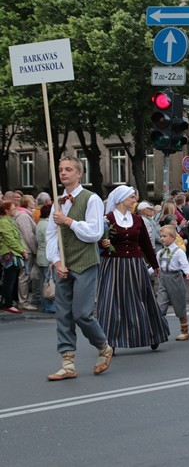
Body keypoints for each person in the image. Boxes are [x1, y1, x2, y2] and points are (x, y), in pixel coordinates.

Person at [45, 155, 113, 381]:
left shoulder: (90, 199)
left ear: (79, 173)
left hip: (85, 263)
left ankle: (103, 346)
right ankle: (67, 363)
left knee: (82, 313)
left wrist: (68, 221)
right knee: (63, 314)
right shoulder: (58, 201)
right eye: (60, 170)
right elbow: (51, 236)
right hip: (64, 264)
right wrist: (55, 261)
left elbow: (94, 232)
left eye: (68, 169)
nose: (63, 173)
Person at [97, 185, 169, 351]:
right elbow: (97, 240)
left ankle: (152, 334)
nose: (135, 200)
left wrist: (155, 264)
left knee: (142, 299)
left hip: (135, 265)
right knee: (112, 302)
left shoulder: (137, 220)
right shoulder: (107, 219)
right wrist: (102, 243)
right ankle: (111, 339)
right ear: (122, 199)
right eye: (132, 197)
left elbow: (145, 244)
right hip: (113, 265)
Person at [154, 225, 189, 341]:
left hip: (175, 279)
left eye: (164, 236)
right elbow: (156, 267)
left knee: (179, 306)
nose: (162, 239)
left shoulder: (178, 252)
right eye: (161, 236)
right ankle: (159, 331)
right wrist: (145, 272)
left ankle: (184, 331)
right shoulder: (160, 252)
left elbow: (185, 266)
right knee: (159, 307)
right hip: (163, 279)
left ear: (173, 237)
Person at [0, 201, 28, 314]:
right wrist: (22, 250)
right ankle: (7, 303)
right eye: (13, 209)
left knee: (11, 279)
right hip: (8, 253)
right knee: (9, 280)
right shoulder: (4, 222)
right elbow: (10, 239)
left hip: (13, 252)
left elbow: (17, 238)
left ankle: (8, 302)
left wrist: (23, 249)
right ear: (7, 210)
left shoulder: (10, 221)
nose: (15, 211)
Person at [15, 195, 39, 311]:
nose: (35, 203)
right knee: (24, 275)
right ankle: (23, 301)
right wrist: (35, 250)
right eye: (32, 201)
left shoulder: (23, 214)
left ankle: (22, 300)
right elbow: (28, 235)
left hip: (25, 248)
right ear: (28, 204)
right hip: (27, 249)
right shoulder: (23, 216)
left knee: (24, 275)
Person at [36, 204, 55, 313]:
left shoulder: (40, 223)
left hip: (41, 255)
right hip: (47, 257)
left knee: (43, 282)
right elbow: (49, 242)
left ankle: (45, 305)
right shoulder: (47, 225)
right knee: (49, 282)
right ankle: (49, 306)